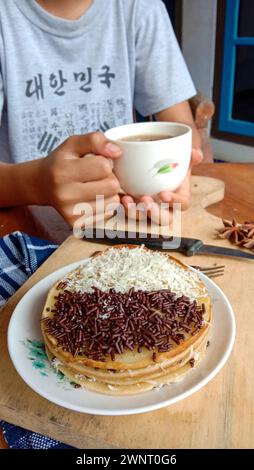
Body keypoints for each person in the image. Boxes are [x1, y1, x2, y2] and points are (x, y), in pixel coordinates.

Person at [0, 0, 202, 228]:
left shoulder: (140, 7)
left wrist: (172, 178)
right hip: (22, 226)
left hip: (124, 220)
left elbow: (182, 125)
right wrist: (37, 184)